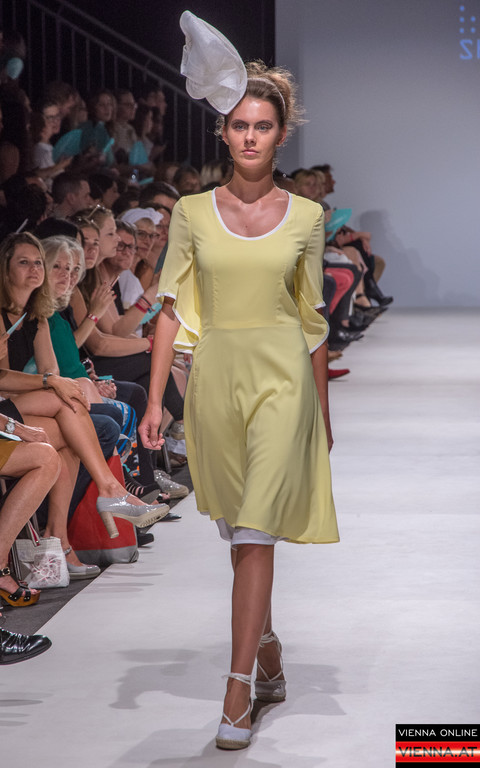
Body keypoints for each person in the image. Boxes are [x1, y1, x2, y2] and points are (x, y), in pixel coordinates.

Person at [139, 15, 339, 751]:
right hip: (215, 382)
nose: (250, 136)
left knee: (256, 532)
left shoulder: (307, 217)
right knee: (237, 531)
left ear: (281, 135)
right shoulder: (192, 214)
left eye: (263, 126)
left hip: (283, 380)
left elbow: (312, 319)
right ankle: (268, 644)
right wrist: (155, 401)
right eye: (240, 125)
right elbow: (170, 311)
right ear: (223, 132)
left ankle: (236, 690)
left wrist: (321, 413)